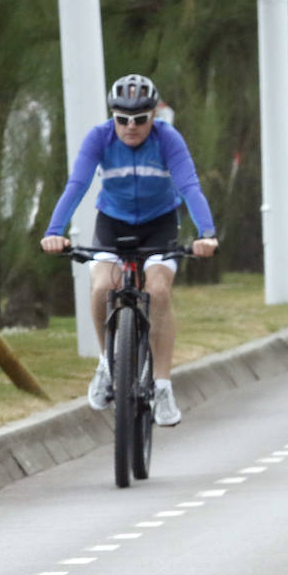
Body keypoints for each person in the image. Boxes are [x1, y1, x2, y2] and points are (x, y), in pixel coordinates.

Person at [40, 74, 218, 426]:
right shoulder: (99, 138)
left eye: (140, 119)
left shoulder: (168, 140)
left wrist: (207, 233)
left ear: (154, 116)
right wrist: (53, 232)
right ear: (113, 117)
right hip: (113, 223)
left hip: (159, 223)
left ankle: (163, 387)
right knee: (103, 286)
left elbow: (189, 187)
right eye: (122, 119)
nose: (130, 127)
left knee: (158, 290)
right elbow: (76, 186)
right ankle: (107, 365)